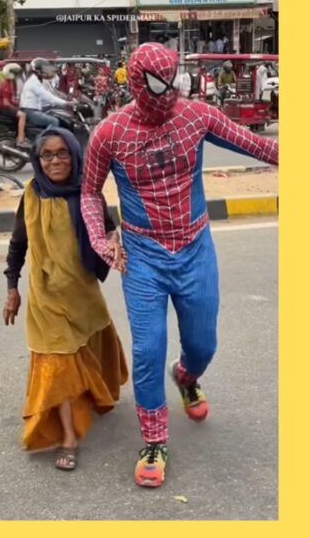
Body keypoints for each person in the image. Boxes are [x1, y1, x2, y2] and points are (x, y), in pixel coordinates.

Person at [80, 42, 278, 488]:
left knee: (204, 343)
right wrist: (99, 238)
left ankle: (187, 375)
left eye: (173, 80)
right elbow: (89, 192)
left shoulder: (197, 116)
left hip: (194, 247)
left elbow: (254, 144)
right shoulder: (109, 134)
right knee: (147, 350)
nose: (166, 92)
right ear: (135, 82)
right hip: (143, 254)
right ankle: (154, 440)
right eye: (156, 83)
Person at [4, 127, 129, 470]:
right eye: (47, 155)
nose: (55, 161)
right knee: (58, 362)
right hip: (45, 296)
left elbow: (107, 229)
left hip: (82, 291)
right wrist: (12, 288)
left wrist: (114, 244)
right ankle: (68, 438)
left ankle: (94, 392)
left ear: (74, 156)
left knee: (89, 342)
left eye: (62, 154)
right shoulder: (31, 193)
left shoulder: (87, 193)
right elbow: (19, 243)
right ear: (37, 160)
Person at [18, 58, 74, 149]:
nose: (46, 72)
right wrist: (66, 103)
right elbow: (47, 96)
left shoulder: (37, 80)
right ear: (37, 71)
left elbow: (49, 94)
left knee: (53, 114)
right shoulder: (33, 82)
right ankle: (41, 143)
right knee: (54, 121)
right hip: (30, 112)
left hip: (33, 110)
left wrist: (64, 99)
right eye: (44, 70)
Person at [0, 63, 27, 144]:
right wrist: (16, 108)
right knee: (22, 115)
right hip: (3, 109)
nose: (17, 75)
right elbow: (6, 103)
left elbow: (13, 99)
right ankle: (21, 139)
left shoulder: (13, 82)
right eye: (16, 73)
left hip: (8, 107)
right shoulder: (5, 83)